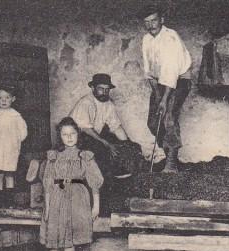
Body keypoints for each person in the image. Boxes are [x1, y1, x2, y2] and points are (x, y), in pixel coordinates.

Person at [39, 117, 104, 251]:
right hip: (57, 197)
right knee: (54, 242)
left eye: (72, 134)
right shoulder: (53, 157)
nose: (69, 138)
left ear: (78, 135)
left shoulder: (85, 156)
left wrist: (96, 206)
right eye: (65, 134)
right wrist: (47, 207)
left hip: (77, 199)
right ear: (60, 136)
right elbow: (47, 184)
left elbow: (95, 183)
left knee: (70, 243)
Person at [141, 5, 192, 173]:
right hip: (160, 83)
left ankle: (171, 164)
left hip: (179, 81)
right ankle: (170, 155)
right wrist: (157, 95)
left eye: (154, 20)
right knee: (153, 122)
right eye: (147, 22)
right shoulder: (146, 39)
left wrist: (164, 99)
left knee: (168, 117)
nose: (150, 25)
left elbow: (171, 73)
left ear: (162, 20)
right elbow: (148, 70)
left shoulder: (170, 38)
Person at [69, 73, 141, 179]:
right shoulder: (86, 102)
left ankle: (120, 171)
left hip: (94, 136)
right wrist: (106, 143)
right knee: (102, 146)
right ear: (93, 88)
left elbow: (116, 126)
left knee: (129, 145)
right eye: (101, 89)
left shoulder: (108, 104)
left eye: (107, 89)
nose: (104, 92)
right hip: (76, 139)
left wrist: (126, 143)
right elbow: (86, 130)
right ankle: (108, 175)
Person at [0, 86, 28, 206]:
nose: (4, 100)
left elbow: (23, 131)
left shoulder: (16, 116)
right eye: (1, 97)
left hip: (10, 150)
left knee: (9, 173)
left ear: (13, 99)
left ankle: (9, 201)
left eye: (7, 97)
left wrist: (15, 142)